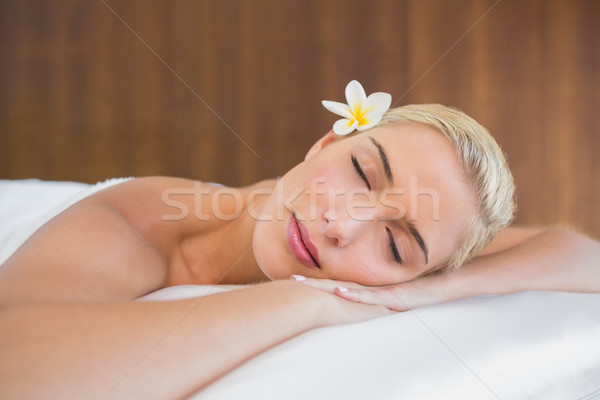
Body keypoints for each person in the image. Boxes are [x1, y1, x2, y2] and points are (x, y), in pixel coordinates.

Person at [0, 87, 599, 399]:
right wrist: (310, 301)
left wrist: (439, 291)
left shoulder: (423, 262)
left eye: (395, 246)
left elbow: (580, 254)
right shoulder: (135, 229)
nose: (341, 223)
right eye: (363, 173)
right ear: (324, 143)